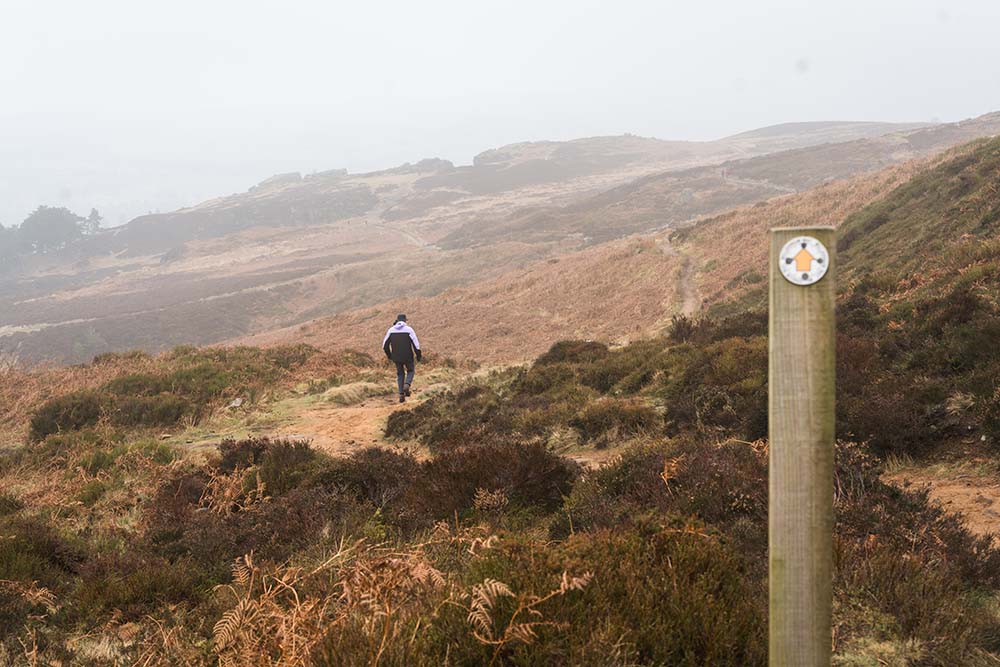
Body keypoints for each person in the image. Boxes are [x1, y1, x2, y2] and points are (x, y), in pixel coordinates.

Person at [382, 314, 422, 403]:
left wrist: (390, 356)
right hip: (408, 356)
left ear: (397, 320)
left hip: (396, 357)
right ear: (405, 321)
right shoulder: (409, 330)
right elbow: (416, 344)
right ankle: (407, 384)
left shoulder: (391, 330)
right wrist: (418, 355)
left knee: (400, 374)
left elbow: (385, 346)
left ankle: (401, 394)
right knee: (411, 370)